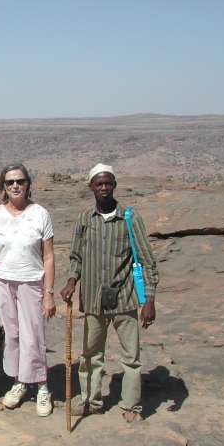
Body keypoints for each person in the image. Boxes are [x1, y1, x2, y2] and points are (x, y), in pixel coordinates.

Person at [59, 163, 159, 423]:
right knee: (91, 356)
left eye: (108, 183)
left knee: (131, 357)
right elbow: (76, 256)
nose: (104, 187)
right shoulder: (84, 219)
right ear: (91, 186)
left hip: (124, 298)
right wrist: (72, 280)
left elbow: (147, 260)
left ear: (114, 185)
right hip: (93, 299)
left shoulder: (129, 217)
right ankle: (91, 400)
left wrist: (149, 299)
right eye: (99, 183)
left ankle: (131, 406)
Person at [0, 164, 56, 416]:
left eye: (20, 181)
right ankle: (19, 382)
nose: (15, 186)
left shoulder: (40, 214)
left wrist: (49, 293)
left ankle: (42, 386)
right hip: (1, 280)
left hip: (31, 281)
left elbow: (48, 257)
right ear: (3, 185)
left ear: (28, 184)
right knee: (12, 335)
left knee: (33, 334)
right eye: (10, 181)